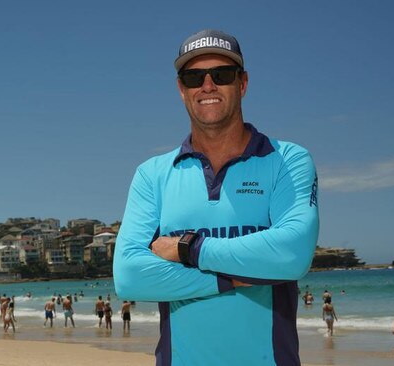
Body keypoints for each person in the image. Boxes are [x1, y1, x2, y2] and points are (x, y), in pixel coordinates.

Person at [113, 28, 319, 365]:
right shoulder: (152, 174)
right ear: (182, 89)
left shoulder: (287, 160)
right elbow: (130, 276)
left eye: (221, 74)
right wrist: (236, 278)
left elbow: (293, 253)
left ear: (243, 83)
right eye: (194, 77)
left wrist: (188, 249)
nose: (207, 85)